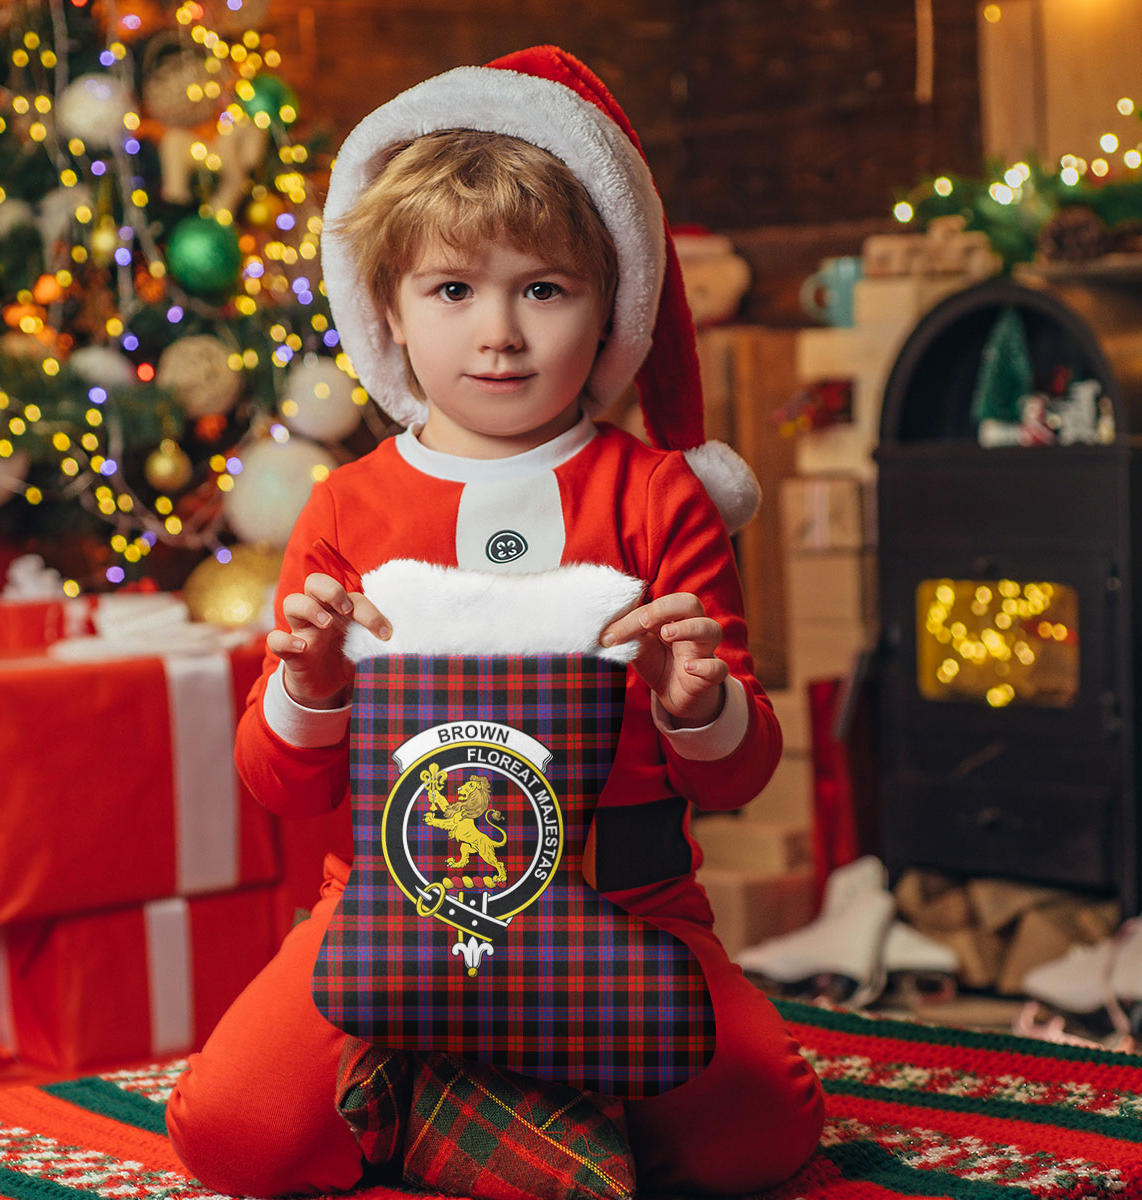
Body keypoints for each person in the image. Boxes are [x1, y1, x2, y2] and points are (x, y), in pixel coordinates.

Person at [166, 45, 824, 1197]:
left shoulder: (658, 496)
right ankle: (484, 1088)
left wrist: (702, 705)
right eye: (454, 289)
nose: (500, 334)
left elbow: (738, 779)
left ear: (607, 303)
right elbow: (281, 785)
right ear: (389, 310)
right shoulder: (349, 503)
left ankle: (470, 1087)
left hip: (626, 904)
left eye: (544, 288)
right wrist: (310, 686)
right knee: (234, 1136)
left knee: (759, 1137)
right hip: (390, 905)